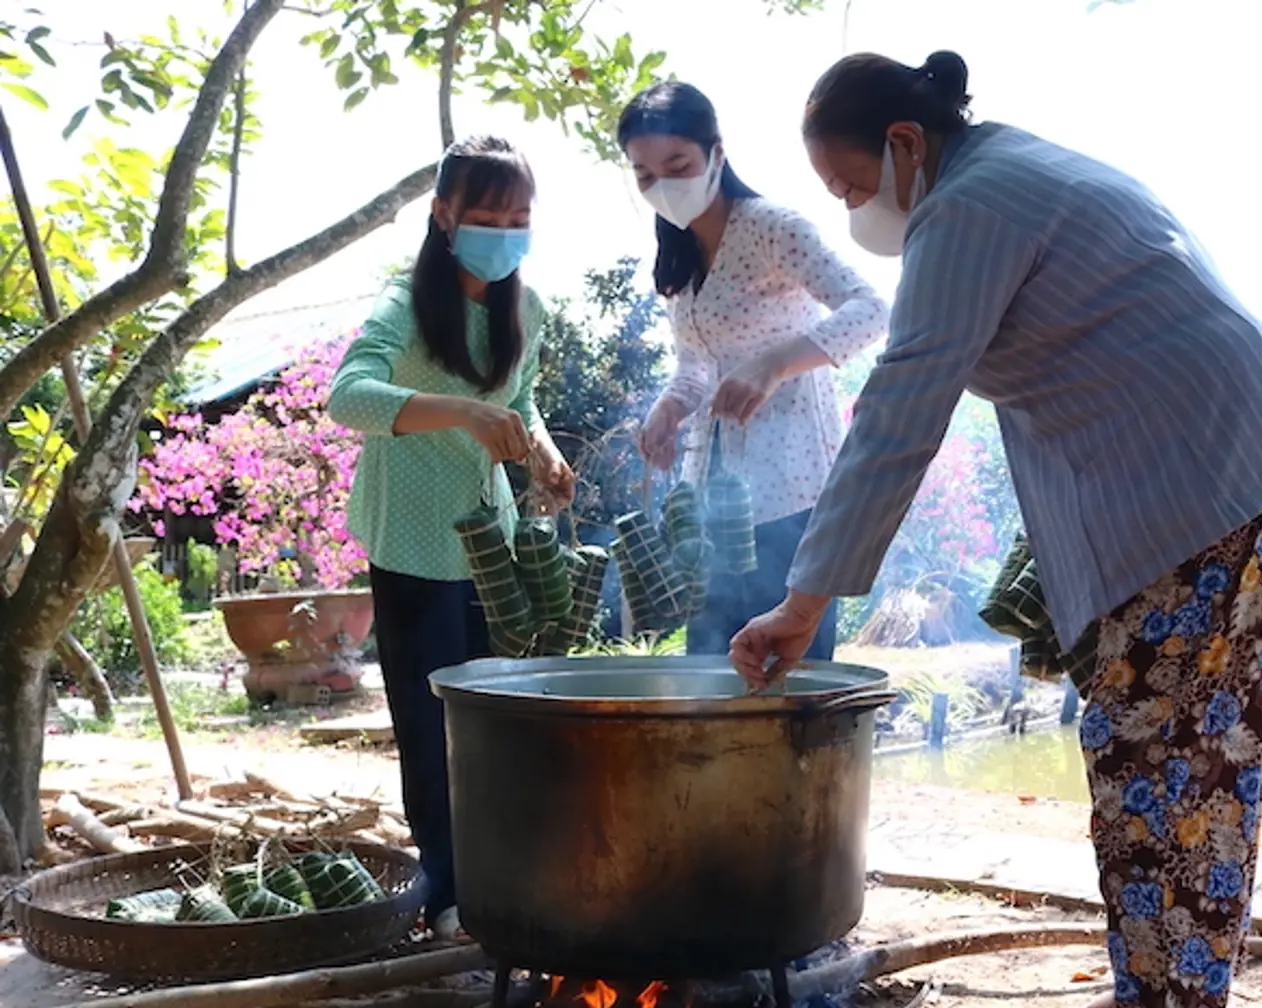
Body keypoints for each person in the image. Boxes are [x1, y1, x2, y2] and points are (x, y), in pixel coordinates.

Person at [729, 51, 1262, 1008]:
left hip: (1191, 475)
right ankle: (1169, 1000)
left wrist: (803, 600)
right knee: (1204, 751)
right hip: (1230, 457)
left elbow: (899, 412)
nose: (852, 214)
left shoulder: (966, 207)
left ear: (904, 142)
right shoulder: (1014, 171)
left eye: (851, 187)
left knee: (1148, 761)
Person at [329, 135, 575, 942]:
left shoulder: (526, 309)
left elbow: (525, 399)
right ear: (444, 217)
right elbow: (349, 396)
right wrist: (463, 412)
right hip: (412, 543)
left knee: (499, 717)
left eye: (518, 218)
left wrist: (543, 454)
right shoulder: (404, 309)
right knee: (430, 724)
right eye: (486, 216)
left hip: (492, 550)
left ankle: (505, 872)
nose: (504, 233)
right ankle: (444, 890)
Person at [618, 81, 888, 658]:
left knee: (786, 678)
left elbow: (870, 309)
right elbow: (698, 365)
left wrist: (776, 364)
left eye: (677, 164)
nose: (663, 184)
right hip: (712, 498)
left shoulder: (771, 228)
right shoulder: (680, 254)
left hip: (791, 488)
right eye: (644, 175)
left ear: (716, 153)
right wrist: (669, 408)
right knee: (710, 670)